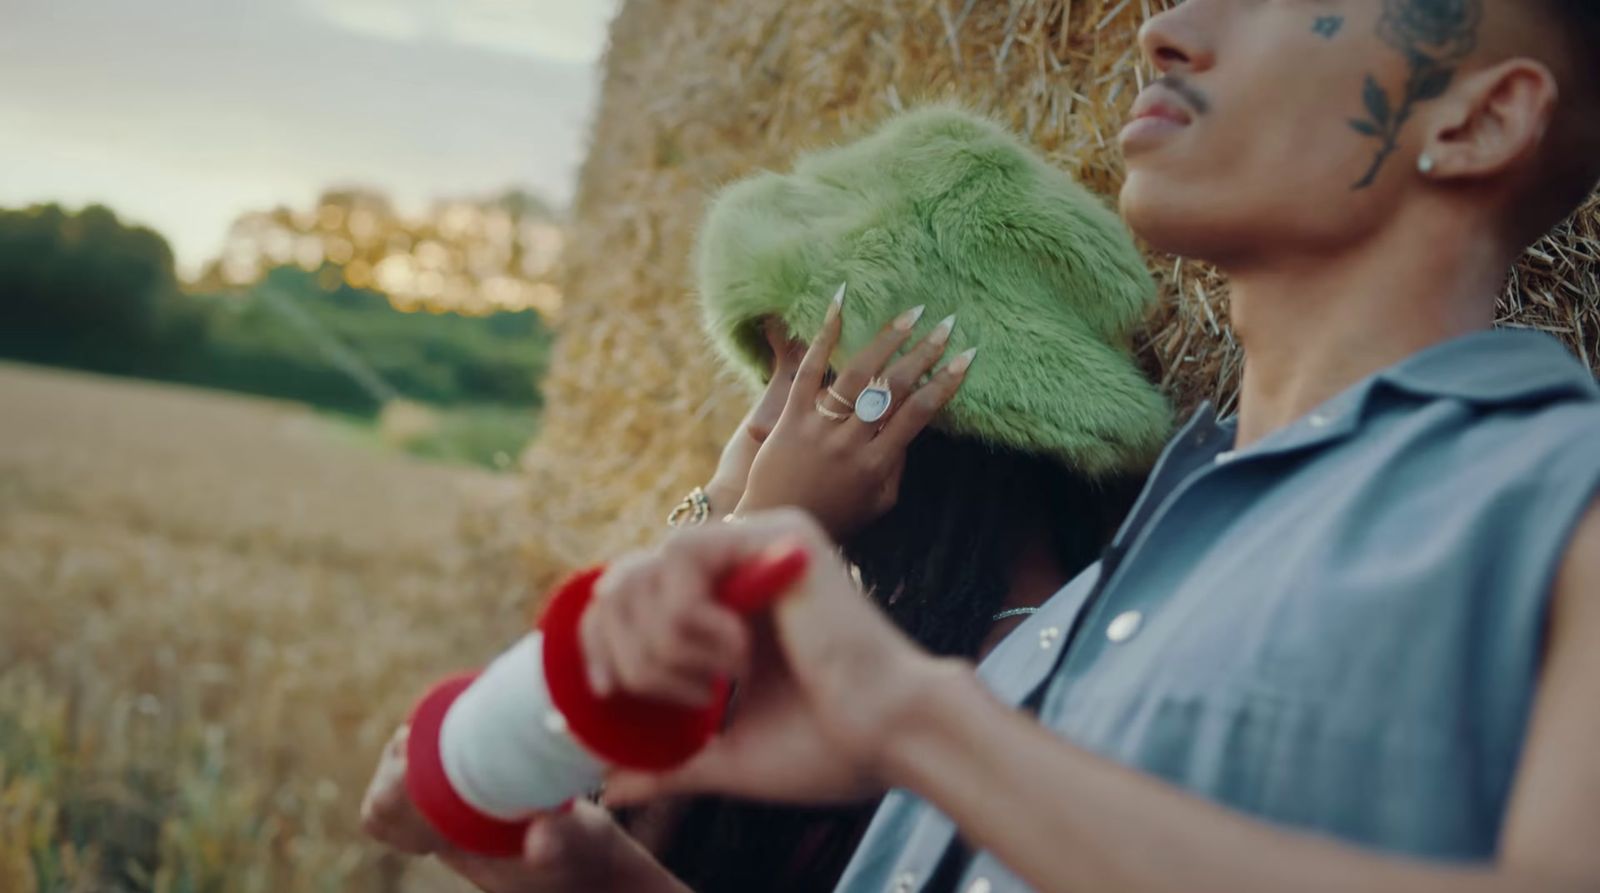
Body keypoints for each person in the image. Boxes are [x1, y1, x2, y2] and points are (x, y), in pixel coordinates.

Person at [562, 1, 1600, 892]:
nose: (1162, 29)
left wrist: (916, 724)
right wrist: (593, 873)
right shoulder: (1124, 577)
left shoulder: (1563, 506)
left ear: (1479, 119)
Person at [362, 108, 1172, 891]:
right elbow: (595, 807)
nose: (763, 423)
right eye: (773, 376)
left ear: (945, 417)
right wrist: (730, 509)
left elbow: (602, 851)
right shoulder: (852, 644)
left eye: (816, 376)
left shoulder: (1045, 701)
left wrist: (763, 535)